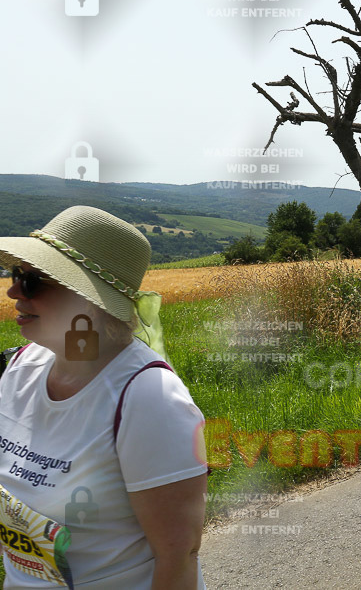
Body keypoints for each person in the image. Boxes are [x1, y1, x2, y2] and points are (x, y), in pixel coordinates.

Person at [0, 206, 208, 588]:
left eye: (33, 282)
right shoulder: (20, 369)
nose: (13, 291)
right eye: (17, 275)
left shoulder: (149, 399)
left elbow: (178, 556)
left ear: (88, 304)